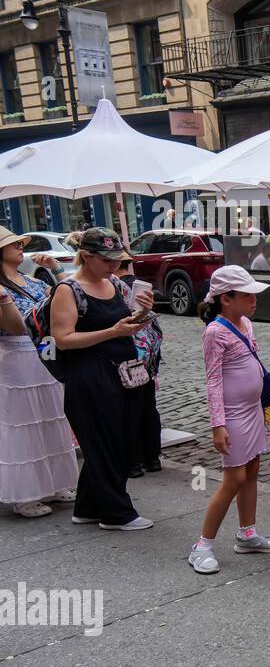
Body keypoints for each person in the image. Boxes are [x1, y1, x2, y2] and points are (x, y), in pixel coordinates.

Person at [49, 227, 154, 530]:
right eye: (107, 260)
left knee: (118, 438)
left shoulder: (115, 284)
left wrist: (141, 313)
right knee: (104, 441)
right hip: (89, 375)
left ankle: (87, 507)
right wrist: (113, 332)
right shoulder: (69, 290)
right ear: (87, 256)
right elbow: (63, 338)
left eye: (116, 260)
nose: (113, 266)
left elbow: (123, 321)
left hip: (121, 371)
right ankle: (116, 512)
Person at [190, 266, 270, 573]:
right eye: (247, 295)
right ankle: (202, 545)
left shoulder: (244, 323)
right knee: (233, 479)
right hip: (232, 415)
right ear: (226, 299)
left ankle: (247, 533)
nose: (254, 300)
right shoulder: (215, 332)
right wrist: (218, 425)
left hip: (250, 411)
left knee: (253, 469)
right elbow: (213, 381)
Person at [0, 227, 79, 518]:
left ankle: (58, 483)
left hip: (46, 351)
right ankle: (26, 494)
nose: (21, 248)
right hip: (18, 356)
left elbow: (68, 296)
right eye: (14, 245)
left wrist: (57, 268)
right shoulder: (3, 289)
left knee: (53, 417)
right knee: (25, 424)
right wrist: (5, 301)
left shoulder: (31, 281)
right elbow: (18, 327)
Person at [117, 258, 164, 478]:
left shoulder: (114, 288)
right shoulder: (140, 286)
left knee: (129, 411)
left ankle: (134, 461)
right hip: (146, 361)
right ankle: (152, 457)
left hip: (128, 361)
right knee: (147, 408)